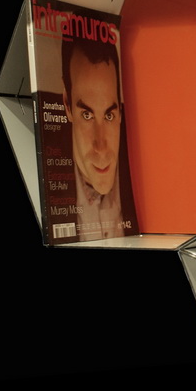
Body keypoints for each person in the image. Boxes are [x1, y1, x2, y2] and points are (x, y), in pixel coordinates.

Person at [61, 34, 133, 241]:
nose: (100, 147)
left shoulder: (145, 164)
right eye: (87, 115)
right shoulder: (47, 172)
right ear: (67, 105)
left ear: (120, 110)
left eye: (109, 115)